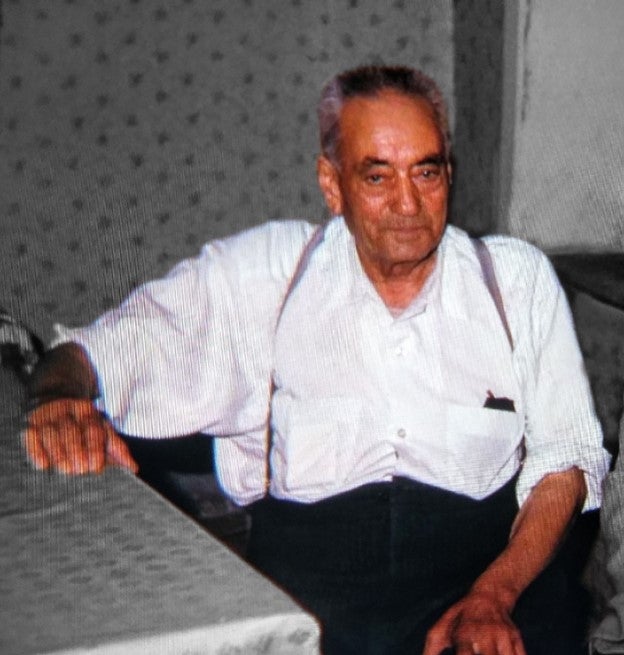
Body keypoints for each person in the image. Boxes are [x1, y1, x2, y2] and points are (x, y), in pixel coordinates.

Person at [23, 65, 609, 655]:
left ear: (448, 173)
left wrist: (494, 595)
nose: (408, 203)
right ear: (332, 185)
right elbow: (89, 353)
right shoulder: (265, 274)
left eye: (425, 172)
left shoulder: (515, 279)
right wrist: (59, 399)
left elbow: (565, 460)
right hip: (320, 596)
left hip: (487, 577)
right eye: (377, 177)